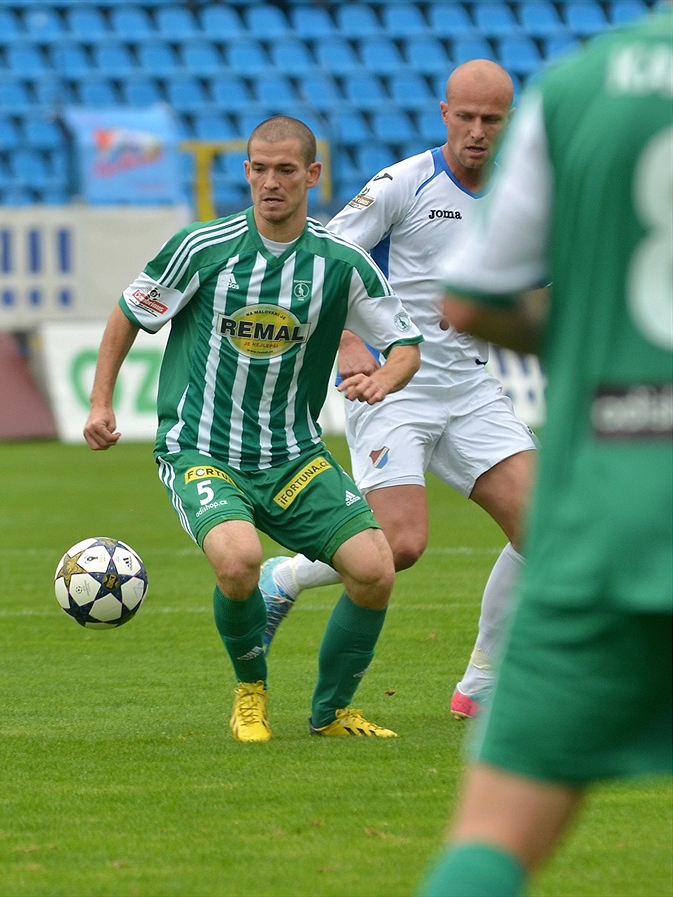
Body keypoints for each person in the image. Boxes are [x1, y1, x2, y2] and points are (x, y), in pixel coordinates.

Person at [419, 9, 672, 895]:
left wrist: (605, 343)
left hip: (605, 503)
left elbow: (475, 300)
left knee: (492, 836)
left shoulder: (576, 87)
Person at [84, 116, 422, 743]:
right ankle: (251, 692)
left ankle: (332, 712)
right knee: (239, 561)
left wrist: (387, 379)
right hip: (203, 449)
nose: (271, 182)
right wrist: (101, 401)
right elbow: (128, 314)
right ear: (245, 173)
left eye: (286, 170)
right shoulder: (203, 248)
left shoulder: (339, 263)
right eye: (259, 169)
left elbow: (405, 342)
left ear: (312, 177)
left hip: (293, 457)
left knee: (376, 568)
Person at [259, 59, 538, 720]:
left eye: (490, 120)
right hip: (394, 388)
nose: (476, 131)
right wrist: (350, 346)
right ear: (444, 114)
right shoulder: (403, 185)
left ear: (509, 123)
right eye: (464, 117)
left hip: (470, 388)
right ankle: (288, 574)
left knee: (547, 529)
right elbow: (320, 258)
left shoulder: (523, 197)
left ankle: (481, 681)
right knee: (401, 546)